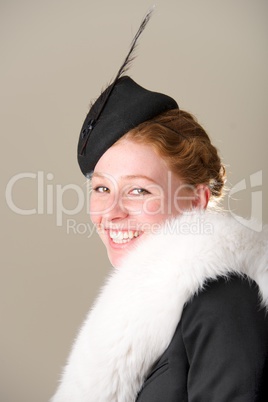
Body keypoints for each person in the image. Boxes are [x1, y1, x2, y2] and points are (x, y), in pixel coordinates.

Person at [51, 13, 268, 402]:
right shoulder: (142, 312)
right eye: (102, 188)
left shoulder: (222, 301)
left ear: (197, 201)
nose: (111, 212)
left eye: (139, 191)